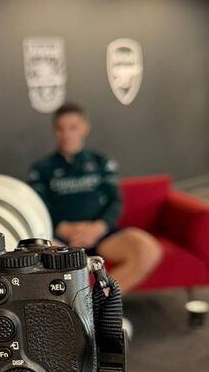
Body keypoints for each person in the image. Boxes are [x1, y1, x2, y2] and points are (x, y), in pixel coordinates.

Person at [27, 103, 161, 295]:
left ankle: (97, 304)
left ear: (85, 128)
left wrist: (97, 228)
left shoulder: (101, 162)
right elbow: (38, 207)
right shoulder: (40, 169)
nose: (66, 134)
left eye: (73, 127)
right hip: (61, 238)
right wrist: (63, 228)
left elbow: (115, 201)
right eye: (60, 128)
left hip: (100, 234)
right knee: (38, 256)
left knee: (148, 250)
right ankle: (73, 308)